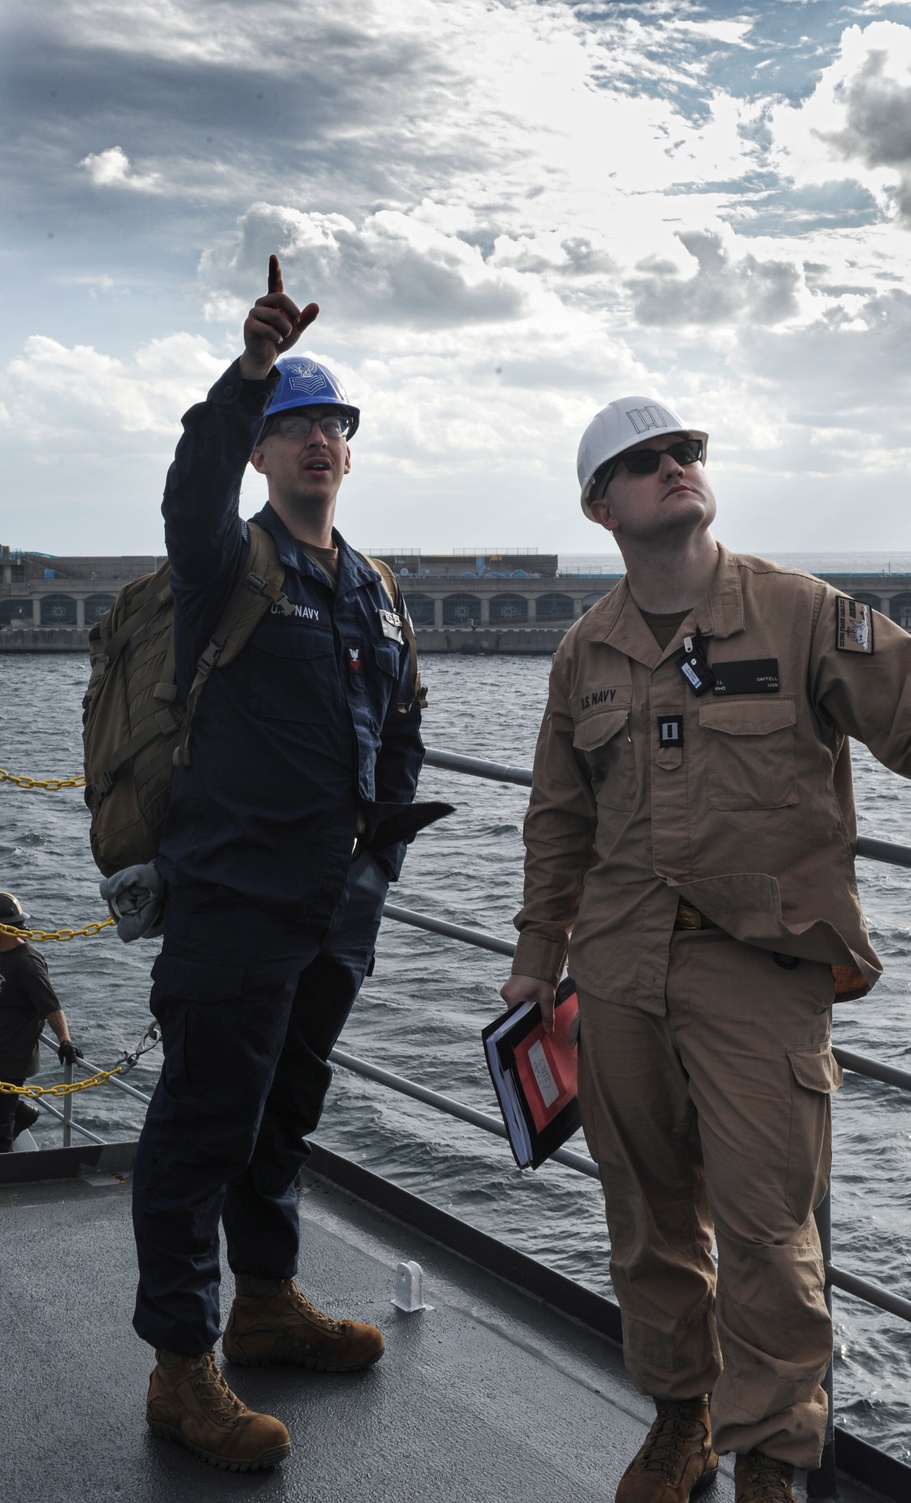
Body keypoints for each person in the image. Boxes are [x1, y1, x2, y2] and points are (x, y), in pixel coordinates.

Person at [500, 396, 911, 1503]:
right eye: (645, 461)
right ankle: (682, 1417)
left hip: (759, 966)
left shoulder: (800, 614)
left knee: (771, 1237)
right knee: (645, 1218)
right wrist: (538, 956)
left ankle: (770, 1463)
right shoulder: (585, 652)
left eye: (685, 451)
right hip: (619, 973)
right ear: (601, 508)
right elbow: (557, 819)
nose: (675, 465)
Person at [129, 256, 426, 1473]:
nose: (316, 442)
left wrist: (377, 870)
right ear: (260, 449)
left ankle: (265, 1302)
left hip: (332, 909)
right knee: (202, 1125)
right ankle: (182, 1367)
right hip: (233, 901)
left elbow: (401, 732)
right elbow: (189, 490)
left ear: (350, 453)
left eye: (332, 426)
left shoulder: (372, 588)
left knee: (281, 1119)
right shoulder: (225, 565)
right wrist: (245, 375)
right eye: (293, 425)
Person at [0, 890, 82, 1151]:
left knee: (1, 1127)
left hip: (11, 1056)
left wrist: (65, 1041)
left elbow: (51, 1006)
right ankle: (22, 1112)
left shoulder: (27, 963)